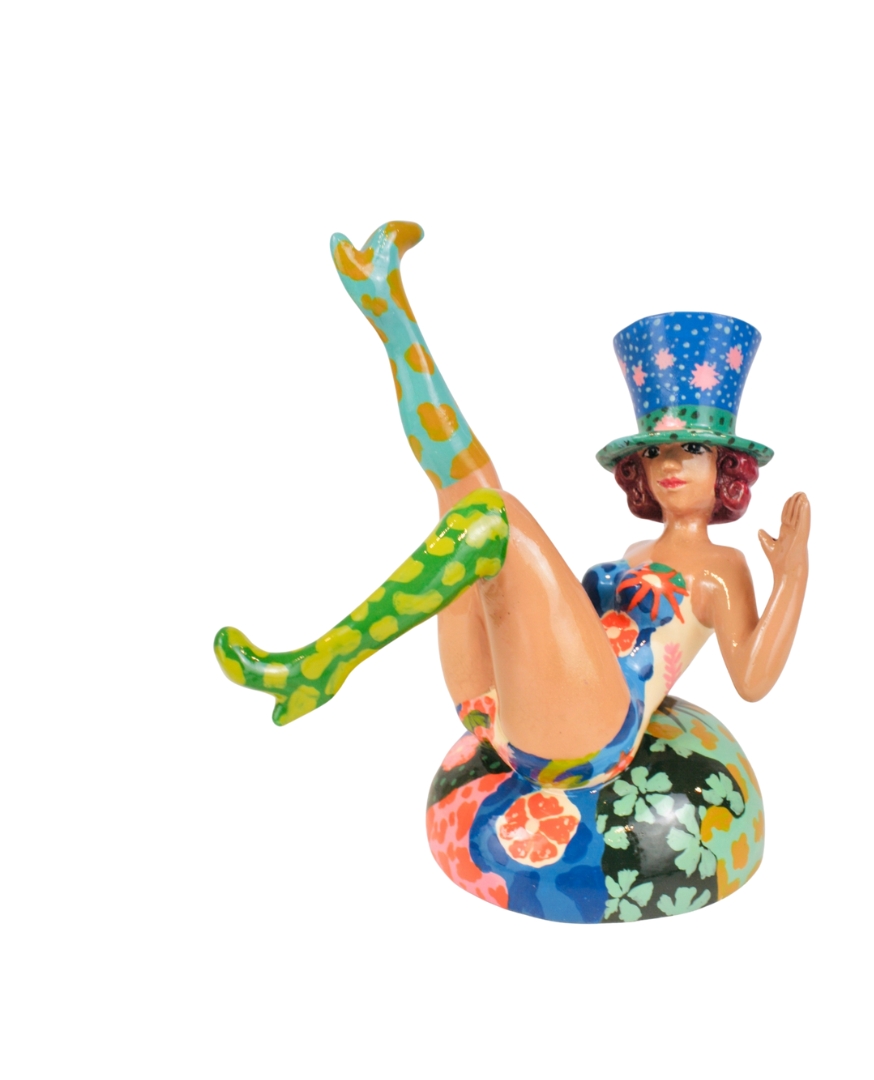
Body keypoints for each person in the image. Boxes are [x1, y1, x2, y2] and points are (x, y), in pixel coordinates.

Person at [214, 221, 810, 923]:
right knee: (469, 490)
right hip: (503, 705)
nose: (671, 465)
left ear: (726, 468)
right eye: (657, 452)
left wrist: (793, 577)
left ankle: (322, 664)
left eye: (693, 451)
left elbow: (753, 680)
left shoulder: (721, 568)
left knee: (494, 516)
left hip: (586, 745)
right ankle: (390, 309)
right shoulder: (637, 552)